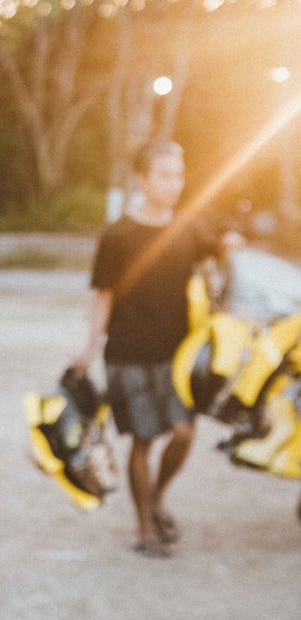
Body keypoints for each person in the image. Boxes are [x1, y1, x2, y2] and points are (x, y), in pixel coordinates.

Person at [74, 141, 243, 558]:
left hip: (179, 354)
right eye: (165, 175)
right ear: (142, 180)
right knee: (144, 440)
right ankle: (145, 527)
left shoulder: (188, 225)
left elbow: (221, 253)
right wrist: (90, 348)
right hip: (129, 353)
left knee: (184, 433)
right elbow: (103, 295)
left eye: (179, 175)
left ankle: (157, 497)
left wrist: (232, 246)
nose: (174, 184)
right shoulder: (118, 235)